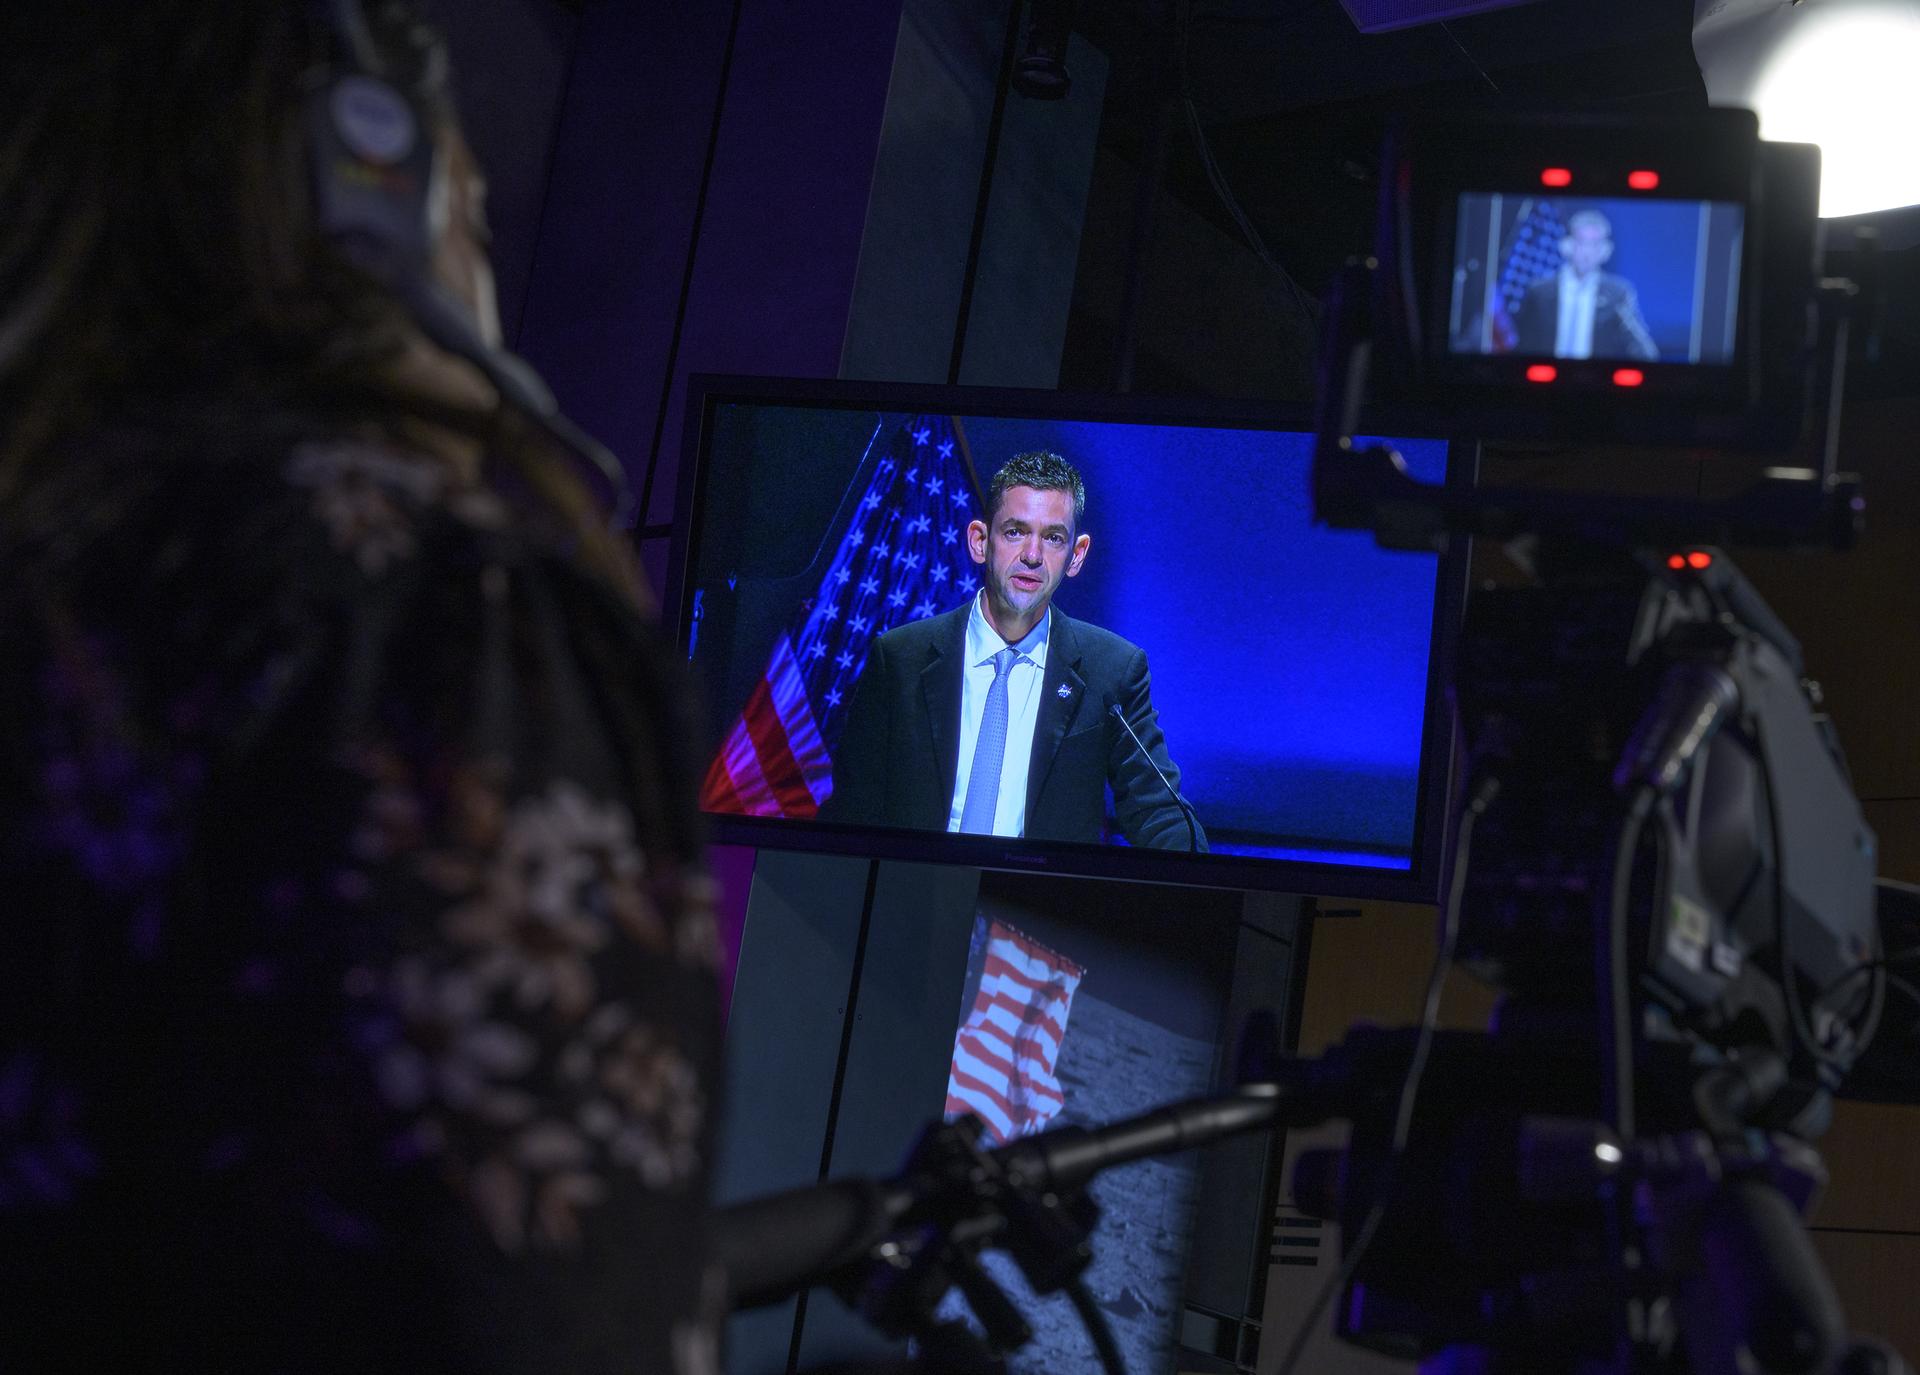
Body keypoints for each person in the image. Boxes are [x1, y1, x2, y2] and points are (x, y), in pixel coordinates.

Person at [0, 5, 722, 1371]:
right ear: (371, 194)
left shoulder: (52, 552)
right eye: (481, 218)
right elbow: (533, 1301)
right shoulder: (435, 619)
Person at [823, 451, 1205, 851]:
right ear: (980, 540)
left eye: (1054, 538)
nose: (1033, 556)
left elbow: (1159, 811)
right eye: (1015, 532)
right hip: (914, 891)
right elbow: (854, 810)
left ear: (1076, 555)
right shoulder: (900, 658)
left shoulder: (1112, 671)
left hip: (1037, 898)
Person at [1512, 208, 1660, 362]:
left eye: (1595, 244)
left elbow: (1640, 346)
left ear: (1605, 250)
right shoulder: (1539, 291)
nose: (1587, 252)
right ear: (1567, 246)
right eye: (1581, 242)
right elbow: (1523, 343)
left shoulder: (1618, 293)